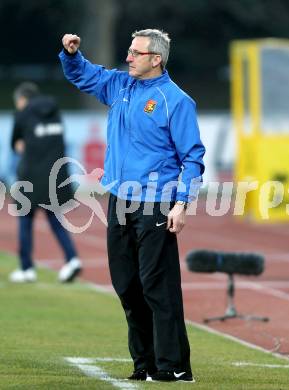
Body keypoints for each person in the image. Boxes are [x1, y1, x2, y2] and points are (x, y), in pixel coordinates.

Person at [59, 29, 205, 382]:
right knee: (126, 285)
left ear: (156, 58)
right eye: (129, 51)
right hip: (120, 200)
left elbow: (193, 158)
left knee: (158, 286)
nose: (129, 57)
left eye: (136, 53)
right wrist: (72, 54)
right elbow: (82, 75)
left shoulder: (176, 100)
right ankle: (145, 363)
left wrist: (181, 203)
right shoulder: (119, 86)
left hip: (156, 202)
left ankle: (173, 365)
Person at [9, 82, 82, 283]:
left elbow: (16, 144)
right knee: (55, 219)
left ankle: (26, 269)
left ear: (22, 100)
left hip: (31, 175)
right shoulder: (55, 112)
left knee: (25, 219)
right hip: (56, 176)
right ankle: (72, 259)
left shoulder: (23, 114)